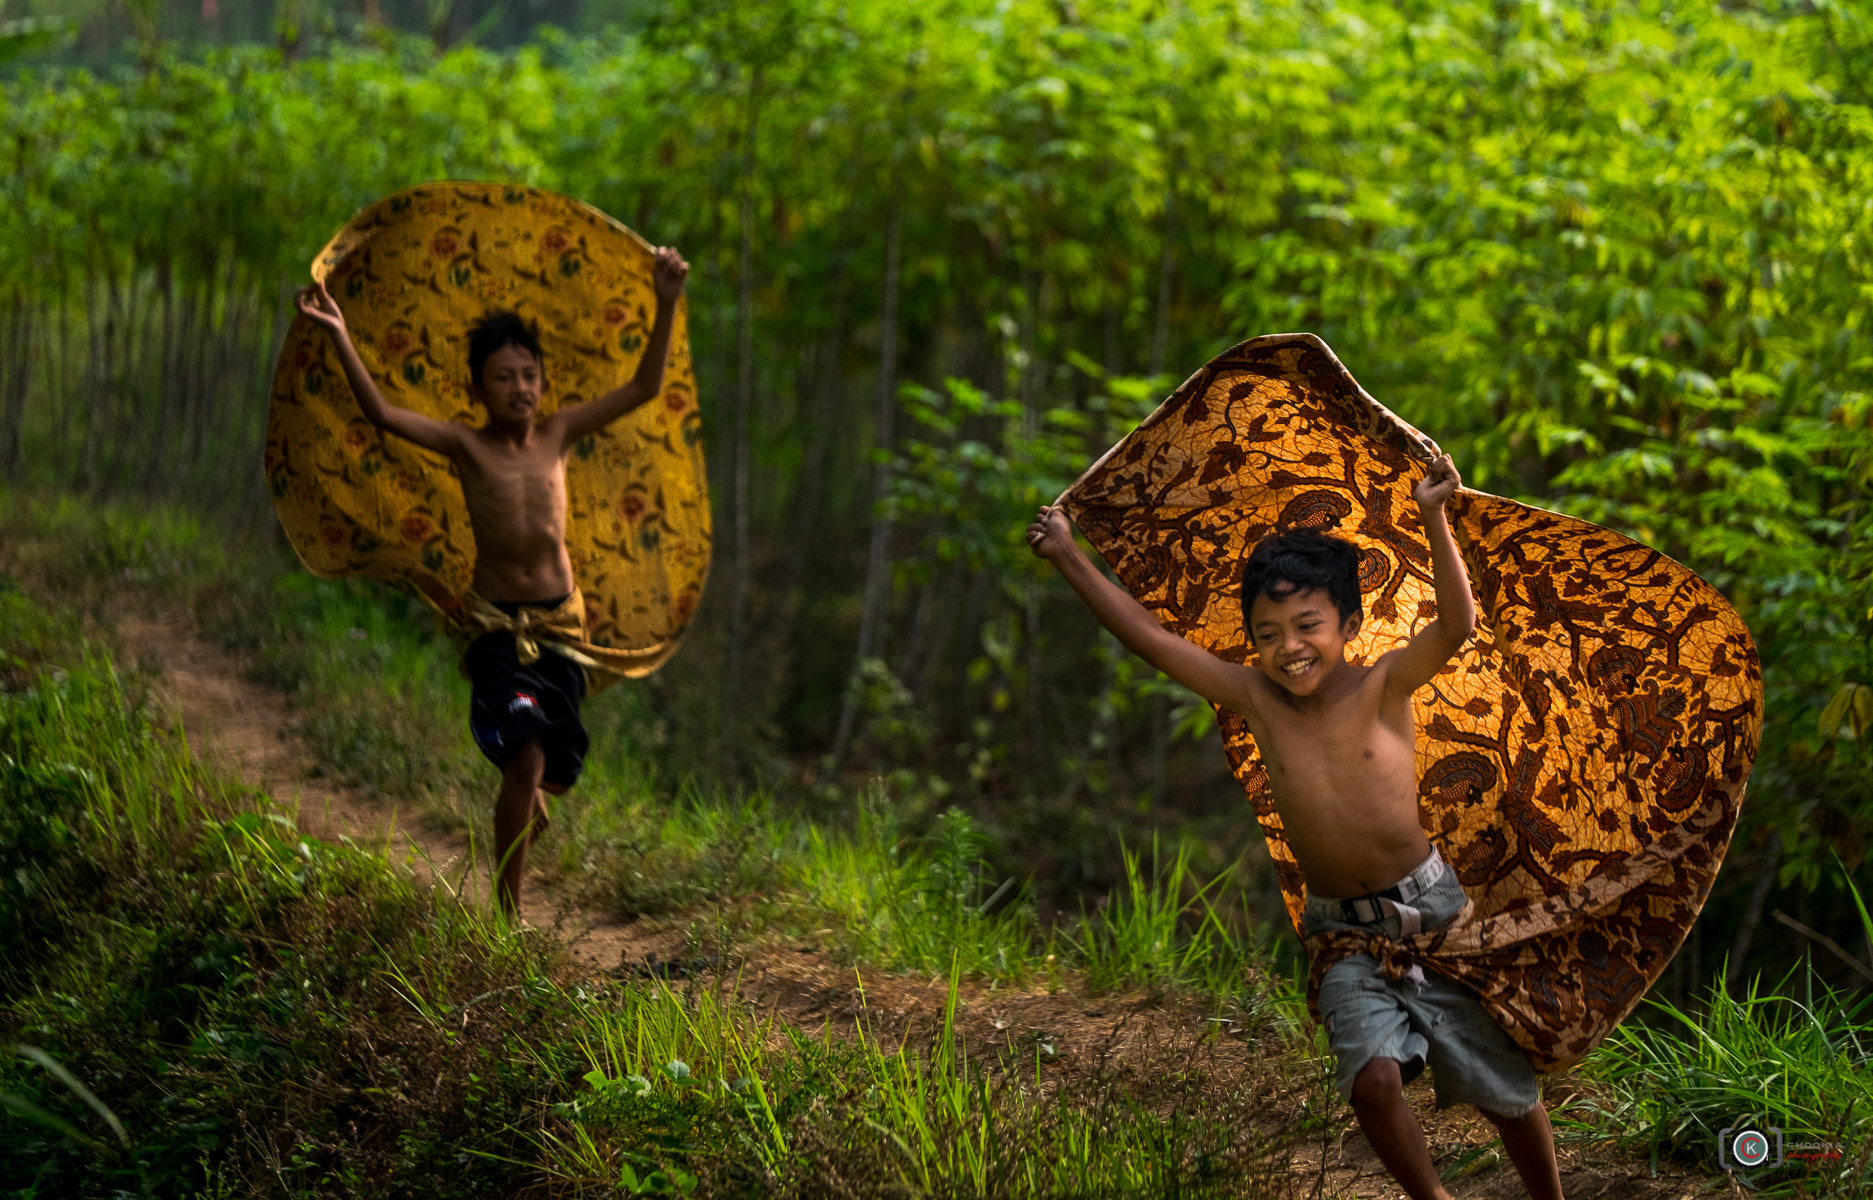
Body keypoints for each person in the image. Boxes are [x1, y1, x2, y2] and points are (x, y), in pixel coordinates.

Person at [1026, 455, 1564, 1200]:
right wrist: (1067, 555)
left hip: (1433, 917)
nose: (1288, 647)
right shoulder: (1254, 696)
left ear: (1346, 624)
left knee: (1500, 1088)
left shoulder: (1383, 685)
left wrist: (1435, 515)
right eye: (1267, 632)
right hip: (1339, 932)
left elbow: (1457, 623)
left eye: (1306, 625)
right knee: (1372, 1082)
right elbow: (1152, 640)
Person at [294, 246, 690, 919]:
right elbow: (385, 416)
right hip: (495, 628)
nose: (520, 389)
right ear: (479, 388)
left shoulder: (559, 433)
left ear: (544, 382)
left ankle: (525, 793)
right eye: (503, 378)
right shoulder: (464, 444)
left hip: (561, 625)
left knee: (553, 774)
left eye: (529, 376)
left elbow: (644, 389)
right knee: (527, 754)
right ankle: (505, 921)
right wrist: (337, 334)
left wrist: (667, 300)